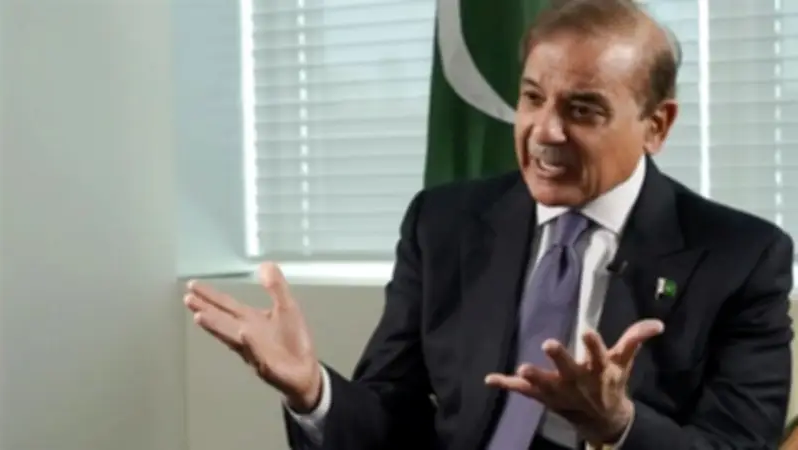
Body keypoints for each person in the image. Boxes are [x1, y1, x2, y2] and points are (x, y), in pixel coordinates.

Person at [182, 0, 794, 448]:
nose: (546, 131)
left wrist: (618, 425)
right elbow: (392, 422)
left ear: (657, 126)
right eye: (532, 98)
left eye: (583, 109)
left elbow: (737, 445)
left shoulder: (742, 257)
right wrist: (312, 389)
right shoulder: (444, 224)